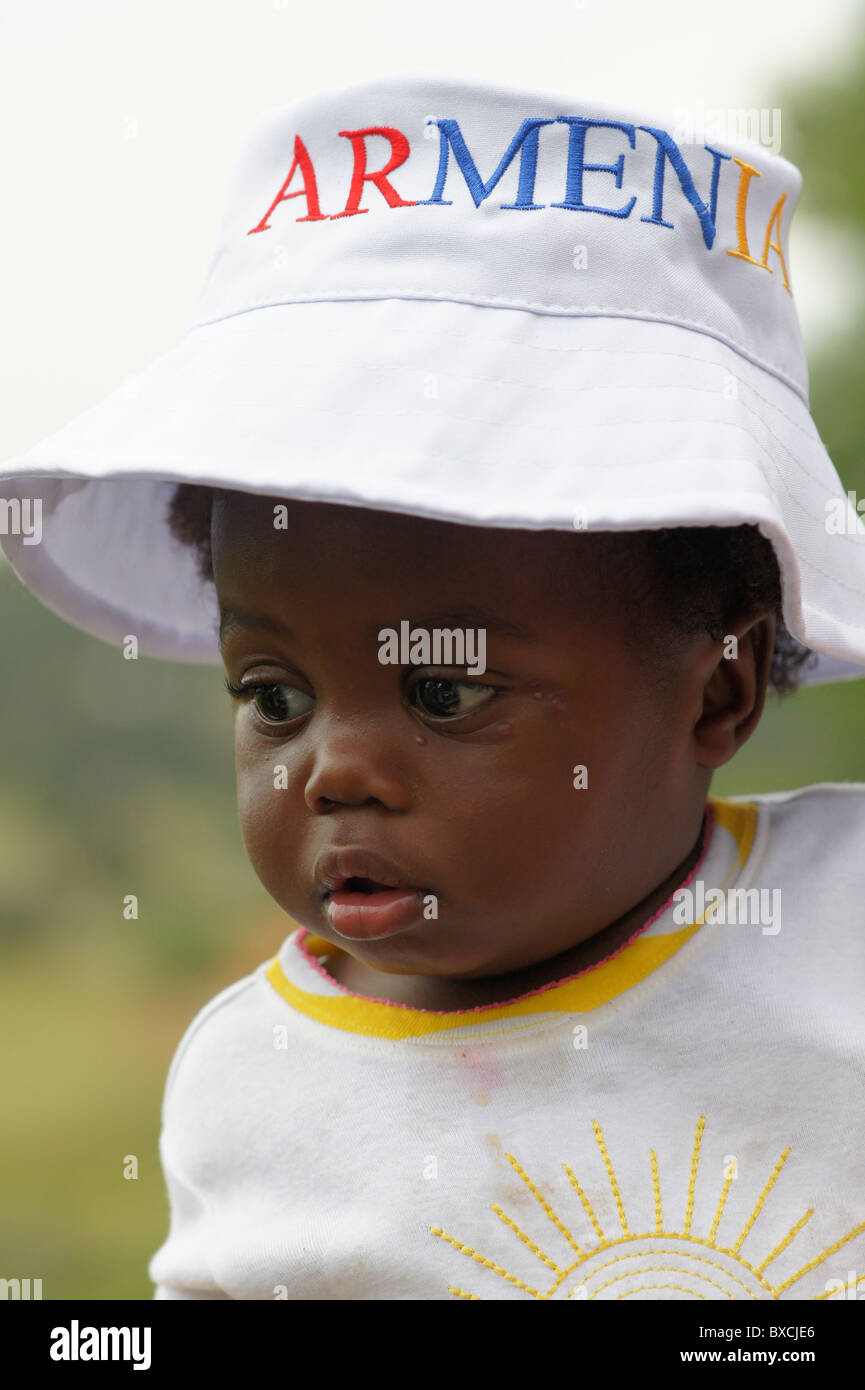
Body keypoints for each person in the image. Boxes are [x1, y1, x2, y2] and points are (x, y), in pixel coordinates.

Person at [2, 71, 865, 1302]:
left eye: (446, 694)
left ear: (716, 693)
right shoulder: (253, 1089)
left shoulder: (842, 926)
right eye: (275, 695)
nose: (333, 767)